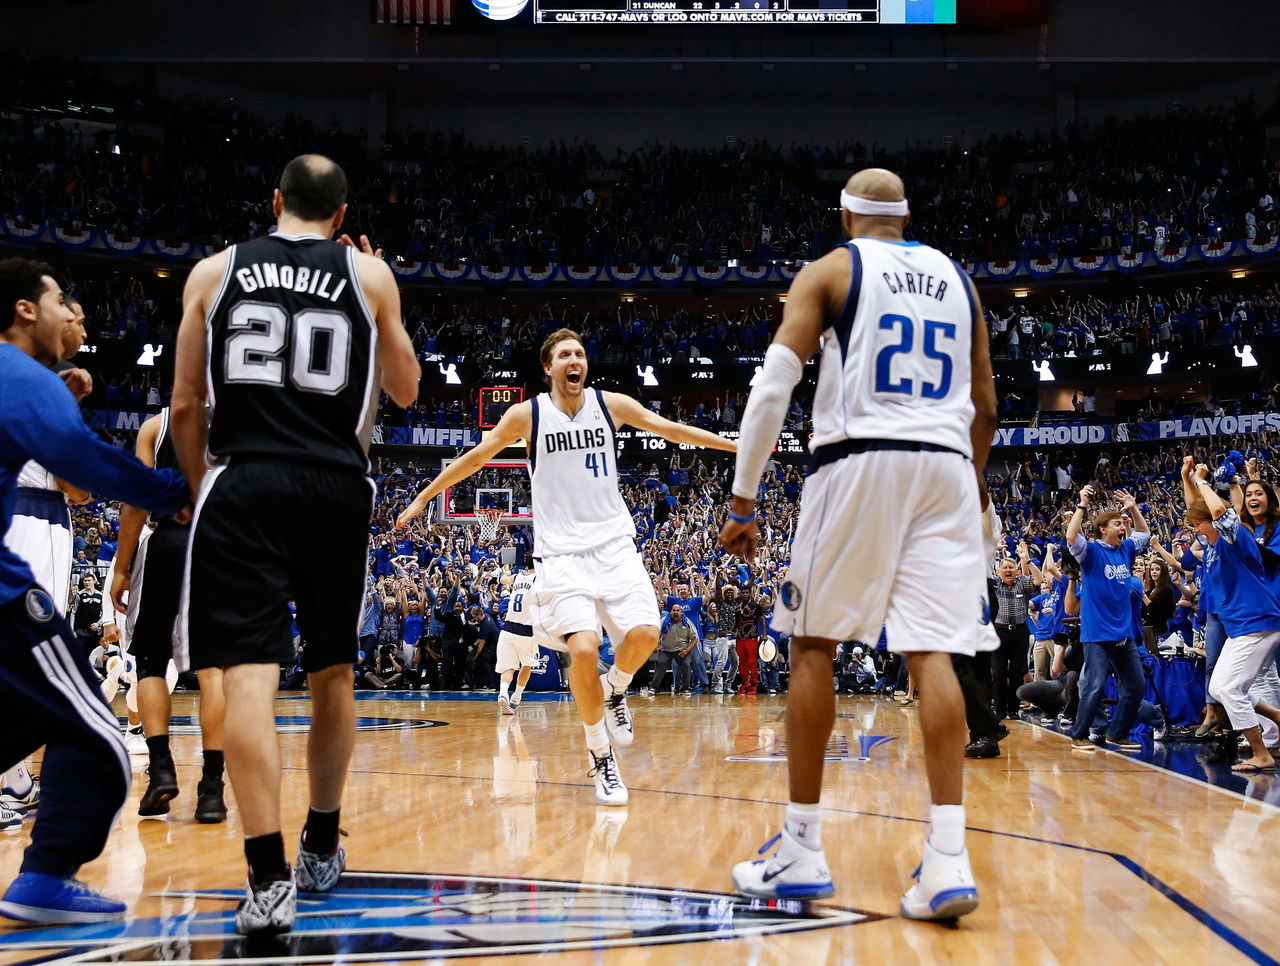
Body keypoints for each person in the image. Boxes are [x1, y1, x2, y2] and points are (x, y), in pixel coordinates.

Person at [719, 169, 997, 921]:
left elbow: (774, 386)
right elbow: (987, 406)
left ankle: (802, 847)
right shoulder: (956, 277)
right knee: (931, 654)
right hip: (945, 467)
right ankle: (947, 859)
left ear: (845, 215)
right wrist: (969, 488)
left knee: (813, 646)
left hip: (860, 458)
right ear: (907, 217)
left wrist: (744, 497)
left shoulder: (833, 268)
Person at [169, 155, 420, 935]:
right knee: (333, 671)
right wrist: (385, 299)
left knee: (246, 680)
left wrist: (195, 483)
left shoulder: (212, 272)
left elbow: (184, 405)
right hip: (335, 487)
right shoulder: (369, 278)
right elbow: (407, 389)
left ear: (274, 202)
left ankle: (267, 878)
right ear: (342, 218)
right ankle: (319, 843)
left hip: (243, 483)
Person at [397, 327, 735, 806]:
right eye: (566, 355)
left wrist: (739, 448)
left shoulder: (610, 405)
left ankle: (615, 688)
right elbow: (475, 459)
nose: (576, 360)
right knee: (583, 648)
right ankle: (601, 758)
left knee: (645, 634)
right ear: (549, 368)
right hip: (561, 555)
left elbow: (672, 431)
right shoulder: (527, 414)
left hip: (614, 546)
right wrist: (423, 496)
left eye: (580, 352)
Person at [0, 256, 189, 923]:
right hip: (7, 578)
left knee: (31, 713)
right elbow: (86, 467)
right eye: (60, 303)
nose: (70, 315)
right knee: (96, 734)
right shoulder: (20, 374)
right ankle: (44, 877)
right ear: (26, 309)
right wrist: (176, 491)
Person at [111, 408, 228, 823]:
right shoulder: (242, 421)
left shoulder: (155, 428)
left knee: (150, 661)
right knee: (214, 670)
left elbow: (136, 503)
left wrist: (122, 567)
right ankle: (212, 789)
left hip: (167, 545)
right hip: (220, 548)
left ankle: (161, 769)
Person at [1184, 461, 1280, 772]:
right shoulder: (1211, 544)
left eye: (1199, 524)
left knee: (1228, 688)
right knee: (1218, 688)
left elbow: (1216, 514)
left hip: (1258, 623)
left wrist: (1202, 482)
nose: (1196, 529)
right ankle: (1277, 718)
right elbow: (1196, 511)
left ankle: (1260, 751)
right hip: (1244, 627)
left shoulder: (1233, 537)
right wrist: (1187, 478)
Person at [1064, 484, 1150, 752]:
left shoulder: (1125, 550)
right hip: (1097, 632)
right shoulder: (1090, 552)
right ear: (1103, 529)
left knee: (1136, 685)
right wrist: (1082, 505)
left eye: (1122, 524)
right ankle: (1079, 735)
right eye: (1117, 524)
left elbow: (1144, 533)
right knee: (1094, 685)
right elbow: (1071, 536)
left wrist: (1133, 507)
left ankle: (1117, 733)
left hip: (1123, 634)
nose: (1122, 528)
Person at [496, 555, 551, 713]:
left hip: (507, 629)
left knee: (508, 668)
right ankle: (516, 697)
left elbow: (502, 580)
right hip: (527, 631)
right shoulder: (540, 579)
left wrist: (505, 572)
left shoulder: (518, 576)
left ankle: (503, 693)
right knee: (527, 665)